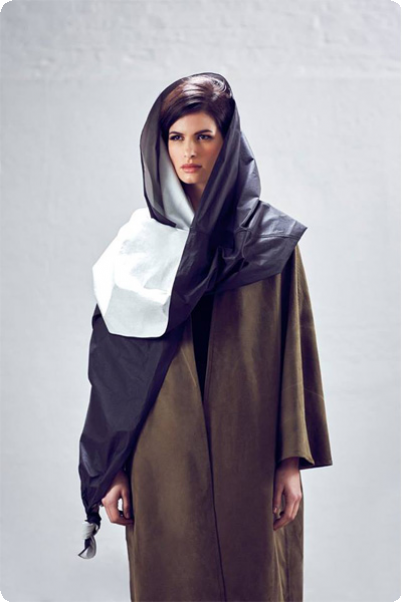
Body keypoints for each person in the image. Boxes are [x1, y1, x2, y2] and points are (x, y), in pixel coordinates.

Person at [78, 72, 333, 602]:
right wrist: (113, 467)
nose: (188, 151)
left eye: (203, 136)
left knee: (256, 580)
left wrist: (290, 462)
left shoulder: (270, 242)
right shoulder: (135, 251)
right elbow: (115, 374)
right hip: (160, 454)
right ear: (160, 145)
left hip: (250, 450)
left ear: (228, 142)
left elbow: (295, 354)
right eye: (176, 137)